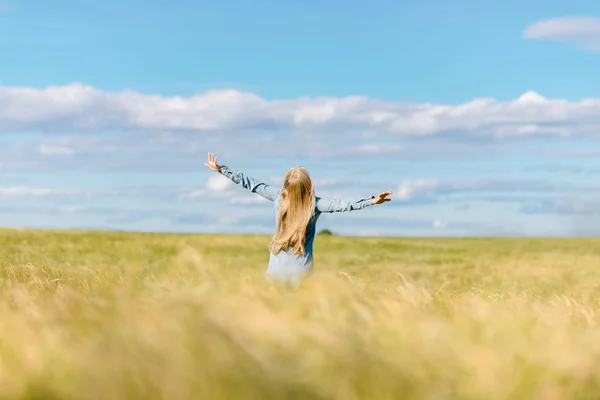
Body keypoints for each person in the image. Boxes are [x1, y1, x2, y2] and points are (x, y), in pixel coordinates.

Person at [205, 152, 392, 285]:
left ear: (286, 184)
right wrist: (371, 201)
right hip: (302, 275)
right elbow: (342, 204)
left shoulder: (279, 198)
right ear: (308, 186)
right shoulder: (315, 205)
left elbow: (250, 184)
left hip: (275, 274)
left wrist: (222, 169)